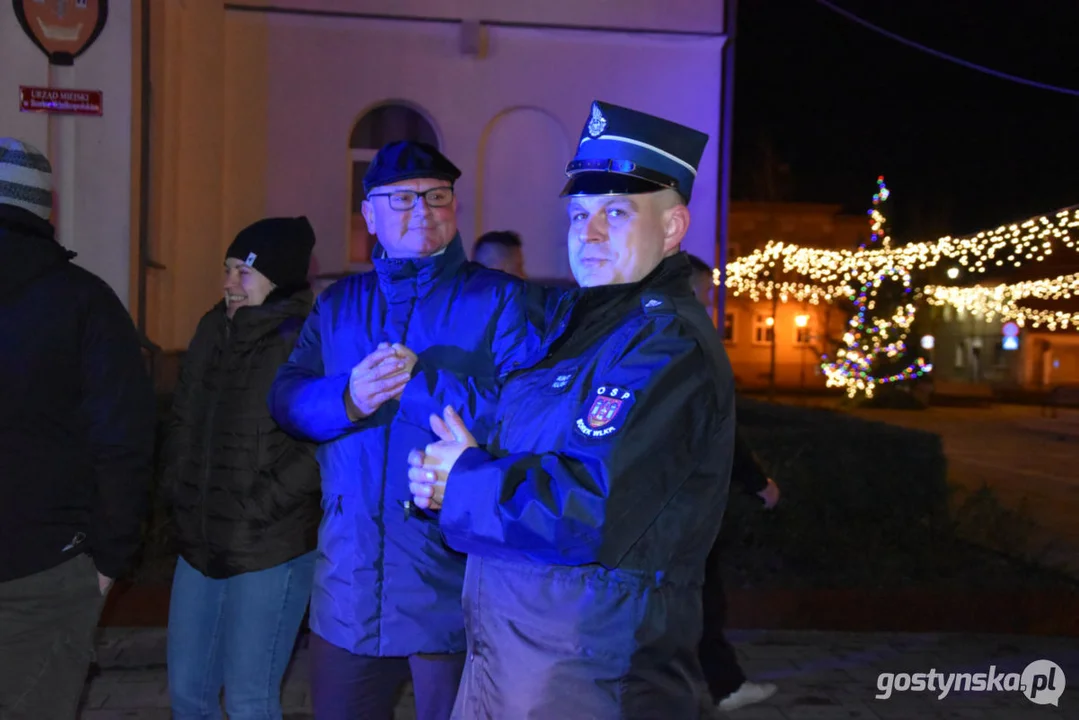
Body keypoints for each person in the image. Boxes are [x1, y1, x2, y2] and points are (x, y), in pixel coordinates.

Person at [408, 101, 736, 718]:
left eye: (615, 212)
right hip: (513, 662)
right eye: (578, 213)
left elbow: (590, 504)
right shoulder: (579, 327)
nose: (586, 233)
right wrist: (444, 481)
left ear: (671, 229)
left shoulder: (665, 347)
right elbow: (522, 451)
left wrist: (467, 480)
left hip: (590, 674)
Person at [268, 141, 541, 719]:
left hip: (455, 585)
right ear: (369, 215)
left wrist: (421, 385)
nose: (423, 210)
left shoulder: (501, 299)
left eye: (437, 196)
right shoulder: (339, 303)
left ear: (455, 208)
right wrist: (347, 398)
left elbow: (526, 416)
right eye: (402, 199)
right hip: (350, 584)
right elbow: (286, 398)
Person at [0, 138, 156, 719]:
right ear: (45, 211)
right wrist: (109, 559)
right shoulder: (87, 302)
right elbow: (124, 441)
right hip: (43, 572)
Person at [163, 217, 321, 720]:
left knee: (251, 700)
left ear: (279, 278)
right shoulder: (213, 329)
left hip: (267, 546)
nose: (230, 282)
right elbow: (183, 420)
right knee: (189, 693)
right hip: (200, 538)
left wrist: (259, 507)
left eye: (244, 272)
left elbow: (319, 448)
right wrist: (178, 493)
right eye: (228, 270)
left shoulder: (303, 341)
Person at [687, 253, 781, 712]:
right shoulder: (691, 345)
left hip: (671, 495)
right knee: (703, 594)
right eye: (703, 294)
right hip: (690, 498)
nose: (708, 304)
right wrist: (755, 479)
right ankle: (724, 684)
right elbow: (721, 424)